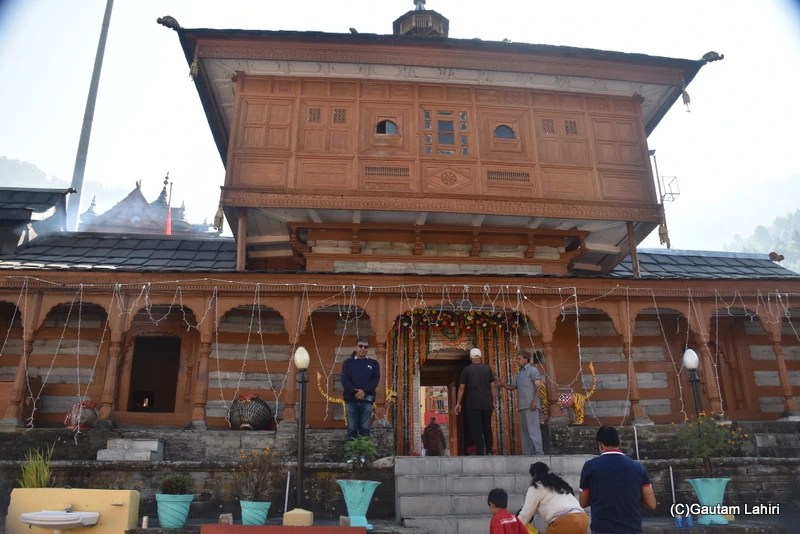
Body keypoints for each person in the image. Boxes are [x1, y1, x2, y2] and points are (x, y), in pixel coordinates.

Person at [579, 426, 657, 534]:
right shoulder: (638, 467)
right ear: (619, 443)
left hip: (602, 529)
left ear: (600, 444)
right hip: (632, 529)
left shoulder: (590, 467)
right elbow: (651, 503)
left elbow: (583, 502)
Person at [518, 462, 589, 534]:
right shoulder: (560, 484)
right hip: (582, 518)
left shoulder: (536, 487)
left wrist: (513, 528)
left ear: (534, 475)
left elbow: (526, 514)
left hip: (565, 521)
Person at [453, 347, 497, 455]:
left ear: (470, 357)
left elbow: (462, 387)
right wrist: (494, 401)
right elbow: (493, 386)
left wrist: (458, 403)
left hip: (473, 404)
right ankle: (490, 451)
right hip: (486, 403)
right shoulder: (487, 369)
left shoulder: (467, 370)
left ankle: (480, 452)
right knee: (487, 426)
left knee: (477, 429)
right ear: (480, 357)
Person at [501, 349, 544, 455]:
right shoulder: (519, 374)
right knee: (525, 431)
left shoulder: (533, 370)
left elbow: (538, 386)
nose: (517, 361)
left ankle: (538, 451)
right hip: (522, 406)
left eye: (519, 359)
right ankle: (527, 453)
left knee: (533, 429)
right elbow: (512, 387)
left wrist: (534, 401)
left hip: (531, 406)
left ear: (526, 359)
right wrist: (502, 383)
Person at [340, 336, 380, 440]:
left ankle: (363, 455)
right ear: (356, 347)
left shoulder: (374, 364)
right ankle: (353, 455)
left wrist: (364, 392)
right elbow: (344, 380)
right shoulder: (348, 363)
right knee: (352, 429)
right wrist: (354, 392)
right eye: (360, 346)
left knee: (365, 429)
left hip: (367, 400)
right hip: (351, 400)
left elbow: (375, 380)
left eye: (365, 347)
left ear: (368, 349)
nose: (362, 349)